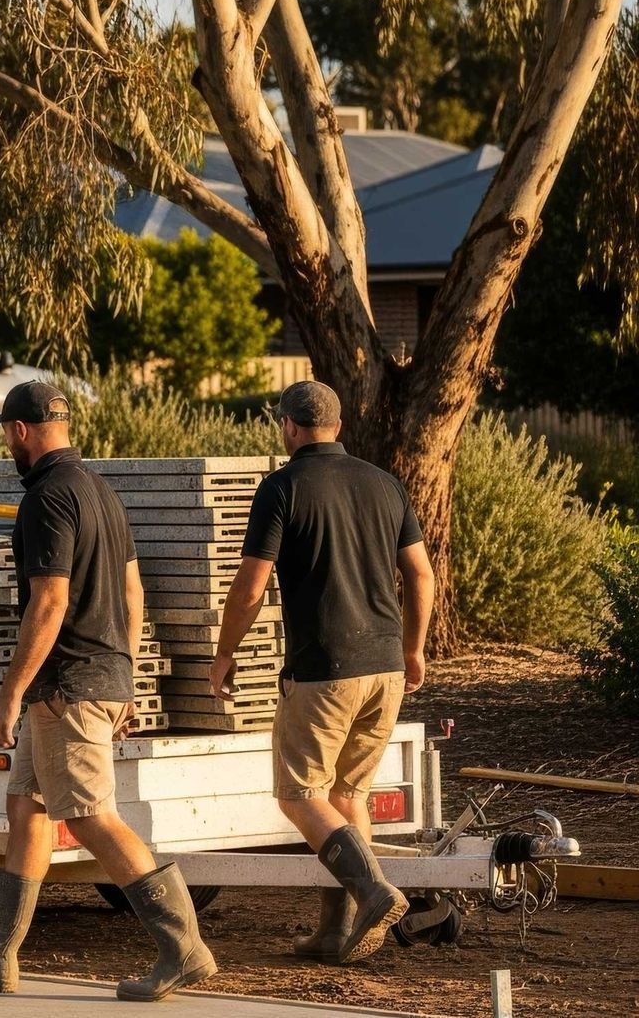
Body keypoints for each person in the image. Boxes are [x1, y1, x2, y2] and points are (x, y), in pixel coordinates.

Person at [0, 380, 217, 1002]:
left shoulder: (46, 499)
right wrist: (127, 676)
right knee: (26, 804)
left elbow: (50, 600)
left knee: (90, 815)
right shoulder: (101, 493)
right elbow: (134, 592)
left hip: (67, 686)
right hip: (94, 678)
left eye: (6, 435)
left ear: (19, 431)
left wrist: (10, 694)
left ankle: (183, 947)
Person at [208, 380, 434, 965]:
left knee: (299, 795)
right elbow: (421, 576)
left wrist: (225, 652)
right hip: (384, 667)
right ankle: (335, 931)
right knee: (346, 793)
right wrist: (414, 649)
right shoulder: (385, 483)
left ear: (288, 426)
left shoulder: (281, 488)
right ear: (338, 425)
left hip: (322, 671)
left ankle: (371, 890)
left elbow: (251, 585)